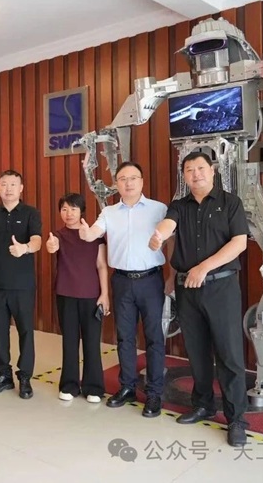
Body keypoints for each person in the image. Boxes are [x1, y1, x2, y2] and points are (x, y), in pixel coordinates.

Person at [150, 151, 249, 447]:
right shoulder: (179, 206)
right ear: (184, 175)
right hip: (187, 290)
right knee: (197, 352)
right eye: (189, 169)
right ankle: (203, 405)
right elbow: (169, 225)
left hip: (221, 288)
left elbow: (239, 243)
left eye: (201, 168)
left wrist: (204, 267)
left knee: (229, 355)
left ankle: (236, 419)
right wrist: (158, 236)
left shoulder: (230, 203)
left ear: (212, 170)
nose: (196, 174)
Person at [78, 161, 167, 417]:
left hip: (151, 280)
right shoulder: (109, 212)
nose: (128, 183)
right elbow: (94, 232)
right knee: (124, 337)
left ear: (142, 181)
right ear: (116, 184)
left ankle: (154, 393)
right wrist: (86, 234)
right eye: (122, 179)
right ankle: (127, 387)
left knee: (154, 337)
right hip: (122, 280)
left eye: (133, 178)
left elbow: (170, 242)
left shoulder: (159, 209)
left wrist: (171, 276)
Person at [0, 169, 42, 399]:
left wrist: (24, 248)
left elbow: (37, 240)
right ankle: (3, 375)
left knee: (25, 332)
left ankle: (25, 377)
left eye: (13, 184)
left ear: (21, 188)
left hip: (23, 286)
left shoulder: (31, 213)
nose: (8, 188)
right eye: (4, 184)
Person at [45, 193, 109, 403]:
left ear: (82, 211)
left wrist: (105, 294)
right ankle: (69, 385)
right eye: (64, 209)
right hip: (66, 295)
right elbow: (51, 246)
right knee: (69, 342)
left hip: (92, 296)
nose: (68, 213)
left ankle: (94, 387)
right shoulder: (58, 235)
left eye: (73, 209)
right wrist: (51, 246)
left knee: (92, 343)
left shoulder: (94, 235)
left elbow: (101, 265)